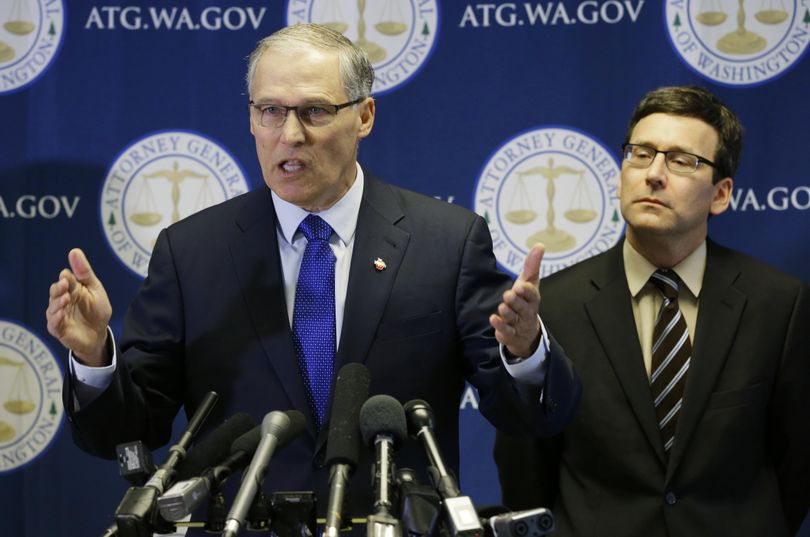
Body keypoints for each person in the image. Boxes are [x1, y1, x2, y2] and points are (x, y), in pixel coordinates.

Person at [46, 24, 580, 525]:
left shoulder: (446, 241)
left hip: (392, 524)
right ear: (251, 117)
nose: (290, 134)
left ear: (365, 116)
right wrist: (95, 359)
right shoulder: (192, 253)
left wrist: (525, 352)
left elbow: (528, 419)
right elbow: (129, 431)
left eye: (316, 111)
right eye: (271, 111)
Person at [494, 85, 810, 537]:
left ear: (721, 194)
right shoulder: (556, 308)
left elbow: (795, 465)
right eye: (641, 154)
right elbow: (526, 471)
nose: (654, 174)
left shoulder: (780, 305)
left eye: (682, 161)